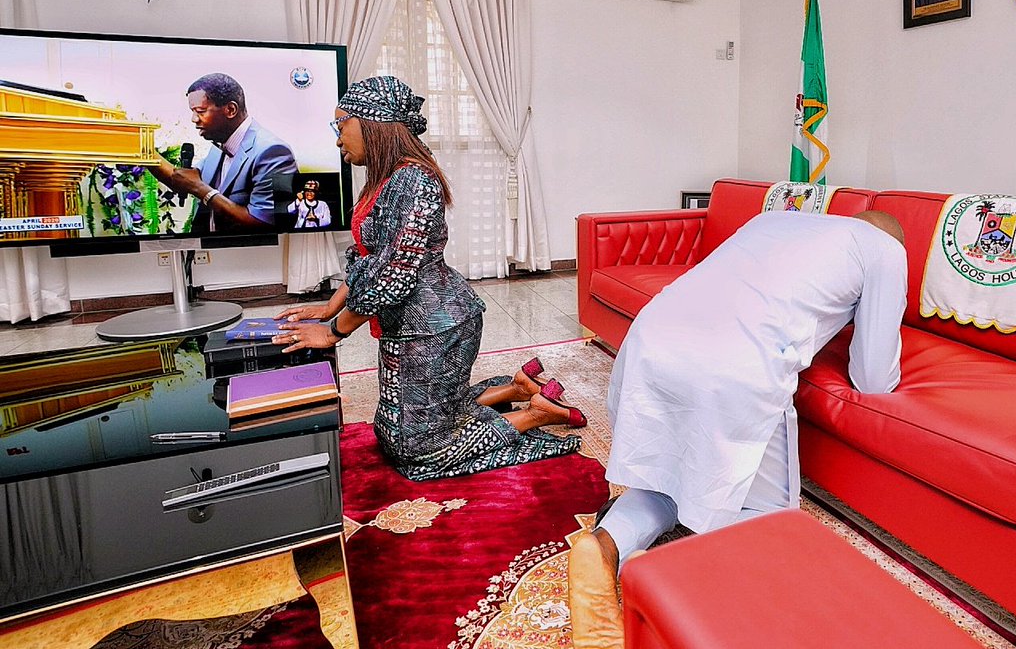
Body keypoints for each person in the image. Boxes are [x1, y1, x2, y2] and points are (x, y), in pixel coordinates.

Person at [567, 209, 907, 648]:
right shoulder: (884, 249)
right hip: (731, 369)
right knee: (771, 522)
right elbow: (873, 378)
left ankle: (603, 545)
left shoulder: (780, 220)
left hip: (648, 343)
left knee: (669, 482)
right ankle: (671, 592)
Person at [272, 75, 585, 480]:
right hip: (410, 324)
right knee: (398, 433)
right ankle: (516, 388)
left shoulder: (415, 179)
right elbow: (370, 258)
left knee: (417, 454)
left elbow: (391, 276)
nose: (337, 139)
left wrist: (333, 332)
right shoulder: (386, 178)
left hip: (437, 326)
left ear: (372, 122)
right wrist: (329, 306)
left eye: (340, 124)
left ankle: (534, 415)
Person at [150, 72, 298, 232]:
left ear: (230, 109)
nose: (194, 119)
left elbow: (264, 223)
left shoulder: (273, 152)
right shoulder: (219, 147)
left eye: (200, 111)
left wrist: (203, 191)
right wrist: (143, 152)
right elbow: (183, 182)